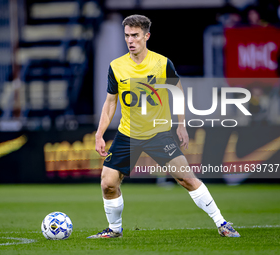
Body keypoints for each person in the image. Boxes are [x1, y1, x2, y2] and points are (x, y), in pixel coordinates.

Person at [88, 14, 240, 238]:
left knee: (186, 178)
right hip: (128, 134)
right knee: (108, 184)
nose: (130, 41)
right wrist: (99, 134)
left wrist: (181, 124)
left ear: (147, 36)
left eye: (135, 36)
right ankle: (114, 230)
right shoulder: (116, 66)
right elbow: (111, 102)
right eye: (127, 36)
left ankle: (222, 223)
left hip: (158, 134)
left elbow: (177, 91)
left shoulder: (161, 63)